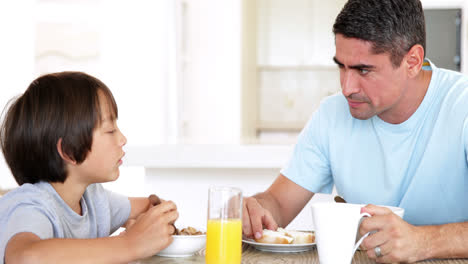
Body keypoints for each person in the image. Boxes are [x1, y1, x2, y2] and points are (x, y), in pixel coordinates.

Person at [242, 0, 468, 262]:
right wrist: (255, 210)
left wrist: (422, 241)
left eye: (364, 70)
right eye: (342, 66)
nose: (347, 87)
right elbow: (278, 204)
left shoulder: (462, 106)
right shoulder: (331, 114)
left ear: (413, 61)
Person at [0, 71, 178, 263]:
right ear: (68, 150)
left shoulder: (92, 198)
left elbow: (145, 206)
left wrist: (157, 212)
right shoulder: (31, 205)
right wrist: (130, 244)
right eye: (110, 130)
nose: (122, 139)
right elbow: (25, 257)